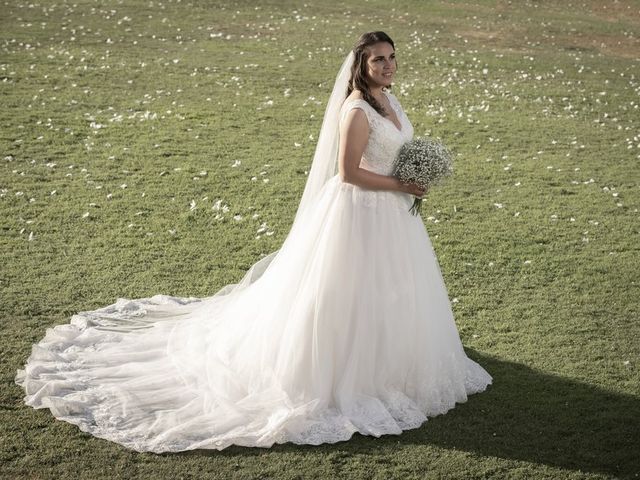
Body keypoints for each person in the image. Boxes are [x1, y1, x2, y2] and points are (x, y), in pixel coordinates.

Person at [15, 31, 492, 453]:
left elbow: (394, 149)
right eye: (377, 60)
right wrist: (400, 186)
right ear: (360, 67)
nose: (387, 66)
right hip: (359, 212)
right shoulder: (356, 111)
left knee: (390, 290)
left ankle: (391, 362)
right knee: (344, 291)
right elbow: (348, 172)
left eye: (391, 57)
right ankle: (337, 371)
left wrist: (411, 174)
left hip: (391, 214)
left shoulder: (390, 99)